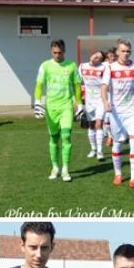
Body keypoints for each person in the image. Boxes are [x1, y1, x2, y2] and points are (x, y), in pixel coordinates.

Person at [33, 38, 83, 182]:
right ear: (51, 51)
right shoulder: (45, 66)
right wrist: (37, 102)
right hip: (51, 108)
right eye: (54, 52)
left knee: (66, 136)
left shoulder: (72, 65)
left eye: (59, 52)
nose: (57, 55)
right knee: (54, 138)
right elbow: (39, 85)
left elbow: (77, 86)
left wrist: (79, 105)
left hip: (66, 106)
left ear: (64, 51)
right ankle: (55, 167)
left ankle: (65, 169)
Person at [101, 38, 134, 190]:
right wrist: (106, 101)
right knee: (118, 142)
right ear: (117, 52)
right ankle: (118, 173)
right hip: (117, 112)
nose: (126, 54)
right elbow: (104, 87)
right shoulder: (110, 68)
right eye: (123, 51)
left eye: (128, 51)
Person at [79, 49, 107, 161]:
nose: (95, 57)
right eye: (95, 55)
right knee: (90, 124)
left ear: (101, 61)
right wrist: (80, 96)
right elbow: (78, 82)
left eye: (99, 58)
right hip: (89, 100)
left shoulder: (103, 68)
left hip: (100, 99)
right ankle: (93, 149)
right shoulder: (82, 66)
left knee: (99, 123)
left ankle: (100, 151)